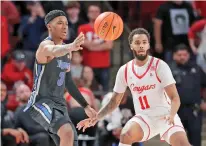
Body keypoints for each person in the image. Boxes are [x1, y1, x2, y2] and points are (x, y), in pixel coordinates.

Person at [77, 28, 191, 146]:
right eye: (137, 43)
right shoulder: (124, 70)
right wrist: (96, 117)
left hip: (166, 115)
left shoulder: (160, 66)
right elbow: (114, 102)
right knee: (125, 134)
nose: (141, 45)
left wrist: (172, 115)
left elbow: (175, 98)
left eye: (144, 42)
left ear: (148, 45)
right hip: (145, 117)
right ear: (131, 46)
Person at [23, 10, 97, 146]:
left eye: (66, 24)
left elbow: (68, 81)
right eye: (60, 23)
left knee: (71, 140)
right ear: (49, 26)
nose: (64, 27)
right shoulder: (45, 46)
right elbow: (54, 51)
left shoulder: (67, 52)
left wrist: (85, 105)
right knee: (67, 132)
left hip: (59, 103)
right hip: (41, 101)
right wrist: (71, 46)